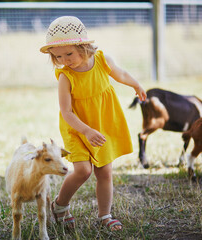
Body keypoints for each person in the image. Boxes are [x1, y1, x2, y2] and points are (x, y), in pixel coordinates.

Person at [40, 16, 146, 231]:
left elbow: (121, 73)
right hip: (77, 128)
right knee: (83, 171)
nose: (65, 59)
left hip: (101, 124)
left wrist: (136, 84)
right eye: (58, 56)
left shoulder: (102, 60)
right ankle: (60, 205)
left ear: (84, 46)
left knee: (104, 173)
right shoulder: (65, 76)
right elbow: (67, 112)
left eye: (69, 53)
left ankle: (105, 215)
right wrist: (86, 131)